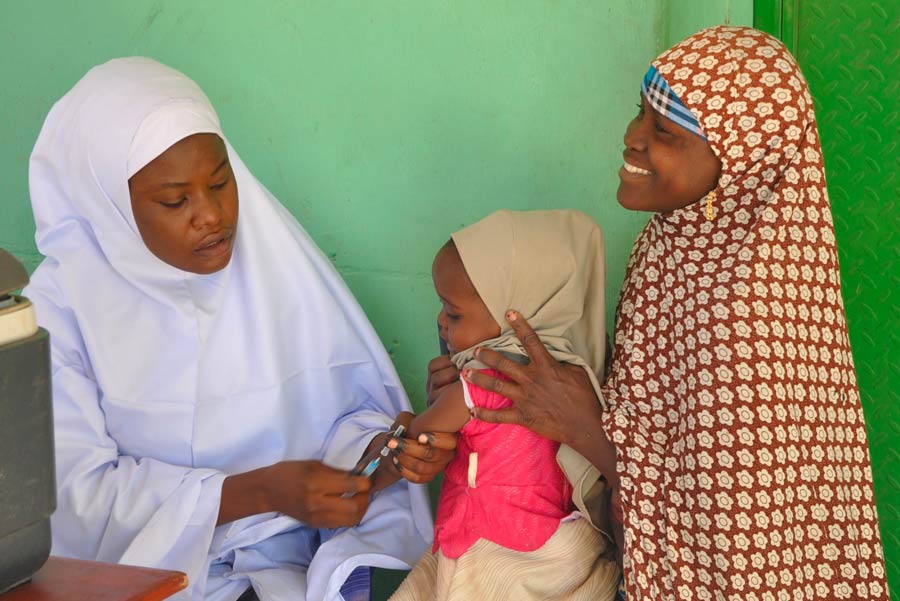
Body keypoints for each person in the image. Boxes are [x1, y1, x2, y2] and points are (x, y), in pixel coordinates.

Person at [430, 26, 890, 600]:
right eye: (638, 113)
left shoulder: (745, 315)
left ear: (742, 164)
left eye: (664, 131)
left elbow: (724, 532)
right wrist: (487, 377)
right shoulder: (674, 241)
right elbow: (653, 414)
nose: (631, 137)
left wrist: (581, 427)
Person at [23, 57, 456, 601]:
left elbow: (342, 413)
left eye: (222, 182)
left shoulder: (276, 270)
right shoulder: (53, 314)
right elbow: (75, 501)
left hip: (282, 570)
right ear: (109, 205)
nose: (213, 216)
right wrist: (259, 491)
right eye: (175, 201)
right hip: (135, 581)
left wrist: (382, 456)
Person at [390, 209, 620, 600]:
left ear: (514, 313)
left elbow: (421, 434)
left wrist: (408, 424)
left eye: (453, 313)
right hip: (558, 547)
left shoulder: (483, 378)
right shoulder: (580, 372)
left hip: (496, 550)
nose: (441, 323)